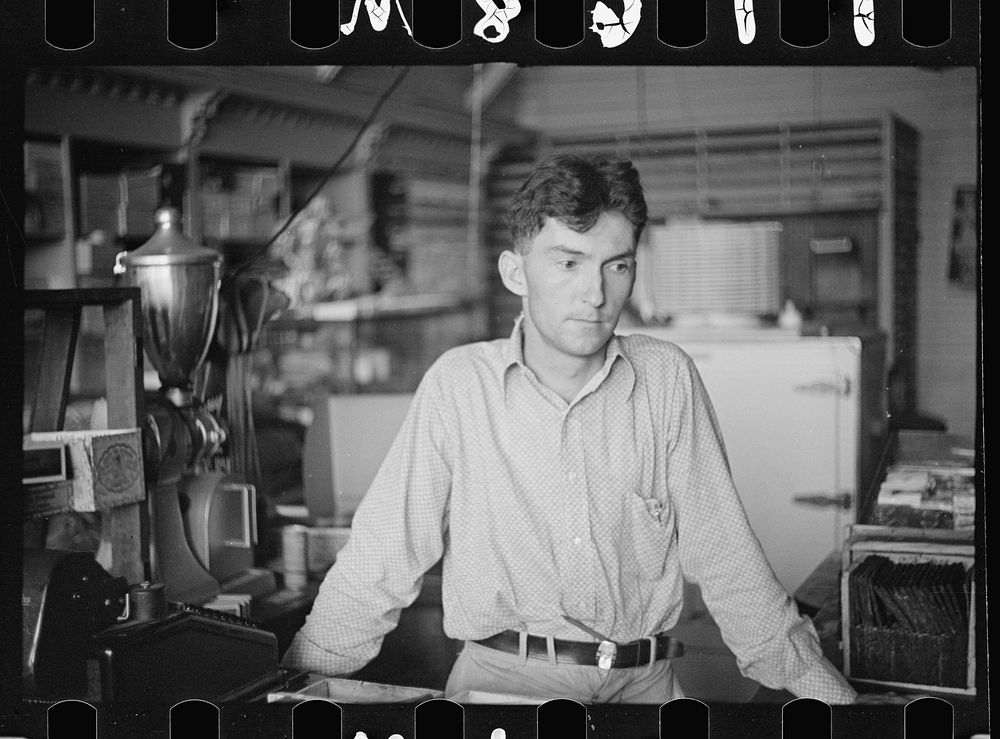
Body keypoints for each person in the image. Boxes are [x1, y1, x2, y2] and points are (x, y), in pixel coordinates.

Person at [282, 153, 858, 704]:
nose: (596, 294)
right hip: (503, 688)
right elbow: (378, 565)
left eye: (618, 265)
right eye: (568, 262)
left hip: (646, 688)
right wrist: (287, 692)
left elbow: (733, 569)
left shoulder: (665, 379)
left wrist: (841, 706)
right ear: (516, 272)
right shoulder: (459, 387)